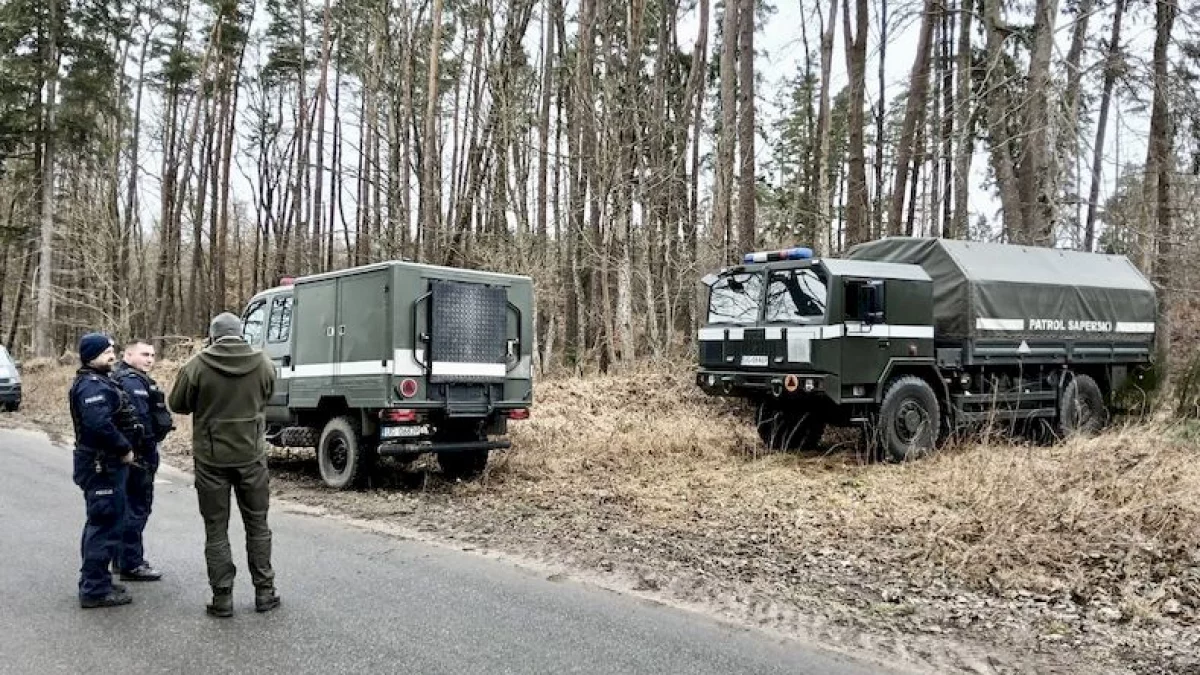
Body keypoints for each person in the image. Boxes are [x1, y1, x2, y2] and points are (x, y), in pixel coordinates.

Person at [168, 313, 280, 617]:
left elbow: (177, 404)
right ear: (241, 333)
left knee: (216, 528)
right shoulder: (263, 363)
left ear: (213, 335)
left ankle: (222, 599)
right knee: (258, 525)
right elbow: (269, 394)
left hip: (210, 458)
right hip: (251, 456)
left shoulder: (197, 365)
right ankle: (265, 593)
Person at [69, 333, 139, 609]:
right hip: (102, 465)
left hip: (104, 464)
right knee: (104, 525)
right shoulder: (91, 386)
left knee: (104, 522)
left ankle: (98, 580)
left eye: (112, 350)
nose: (112, 355)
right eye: (106, 351)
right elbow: (98, 425)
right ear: (91, 355)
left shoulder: (100, 381)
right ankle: (95, 590)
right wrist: (123, 447)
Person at [113, 339, 175, 582]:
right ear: (128, 355)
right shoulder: (131, 382)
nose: (150, 359)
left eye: (152, 355)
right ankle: (131, 563)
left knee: (129, 507)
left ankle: (122, 559)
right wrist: (146, 450)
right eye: (144, 354)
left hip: (133, 453)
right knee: (137, 508)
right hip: (139, 455)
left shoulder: (126, 378)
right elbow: (139, 423)